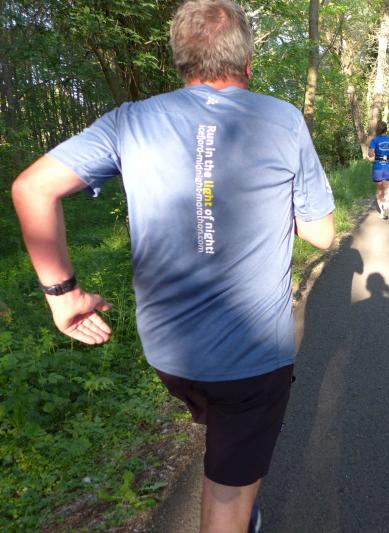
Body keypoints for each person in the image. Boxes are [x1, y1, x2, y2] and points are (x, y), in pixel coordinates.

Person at [11, 1, 335, 532]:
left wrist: (63, 295)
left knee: (225, 438)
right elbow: (322, 234)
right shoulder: (283, 120)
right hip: (252, 359)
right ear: (247, 63)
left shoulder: (131, 120)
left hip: (170, 356)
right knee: (231, 493)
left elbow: (32, 188)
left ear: (180, 62)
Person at [368, 121, 389, 219]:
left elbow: (370, 155)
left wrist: (374, 153)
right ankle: (386, 206)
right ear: (386, 129)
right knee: (387, 190)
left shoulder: (374, 140)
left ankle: (382, 212)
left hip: (378, 167)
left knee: (379, 190)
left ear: (378, 130)